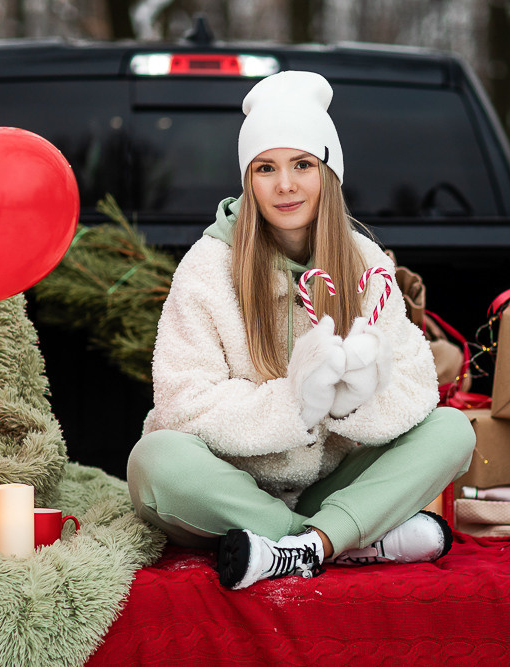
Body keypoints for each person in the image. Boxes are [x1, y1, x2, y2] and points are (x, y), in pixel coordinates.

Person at [127, 70, 475, 590]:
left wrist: (350, 400)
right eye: (266, 167)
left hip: (328, 483)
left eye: (302, 165)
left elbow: (415, 382)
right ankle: (337, 543)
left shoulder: (364, 260)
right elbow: (184, 399)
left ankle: (296, 548)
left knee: (452, 431)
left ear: (327, 172)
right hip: (230, 487)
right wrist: (297, 405)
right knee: (154, 460)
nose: (285, 184)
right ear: (248, 178)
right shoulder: (208, 267)